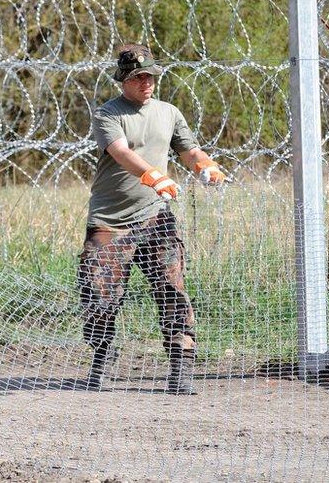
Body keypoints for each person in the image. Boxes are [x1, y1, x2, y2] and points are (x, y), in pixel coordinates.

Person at [78, 44, 226, 395]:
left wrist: (205, 165)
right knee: (99, 294)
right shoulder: (108, 114)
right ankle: (102, 356)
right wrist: (153, 177)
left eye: (150, 76)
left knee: (172, 287)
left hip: (155, 217)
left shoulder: (168, 112)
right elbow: (121, 152)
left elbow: (188, 148)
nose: (146, 82)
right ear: (123, 80)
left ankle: (181, 364)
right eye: (138, 77)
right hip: (111, 221)